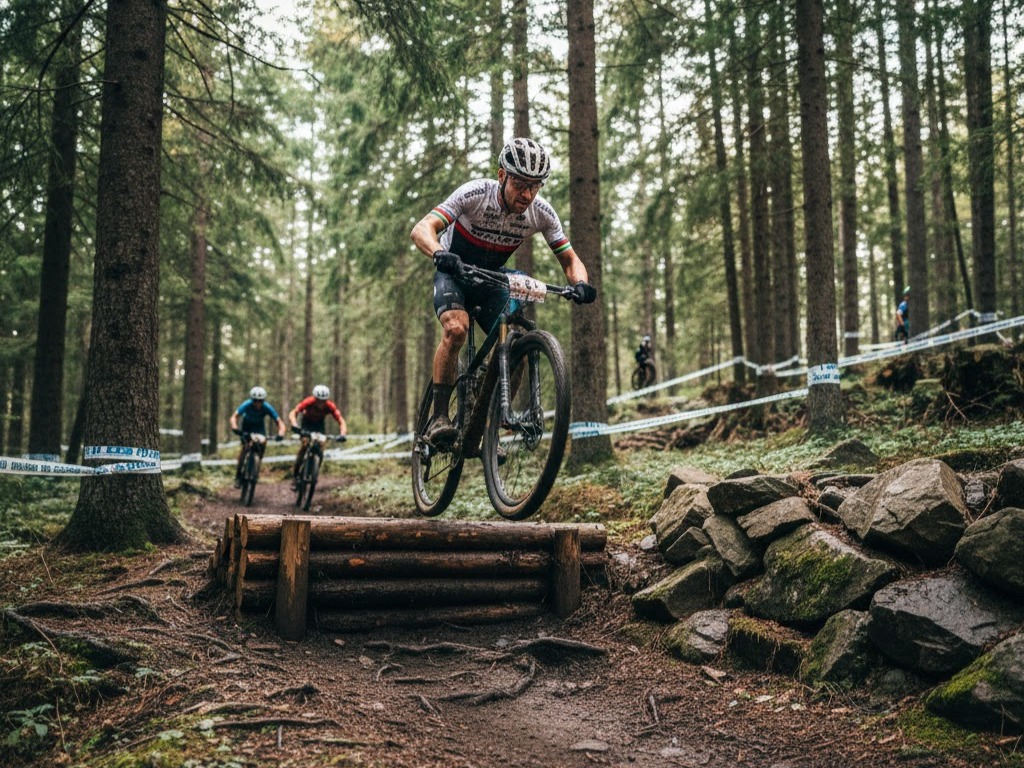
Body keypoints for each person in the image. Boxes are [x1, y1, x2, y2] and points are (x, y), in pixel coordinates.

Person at [410, 137, 598, 446]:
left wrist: (580, 283)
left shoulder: (542, 213)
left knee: (516, 348)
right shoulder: (475, 194)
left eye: (535, 186)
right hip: (454, 271)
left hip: (491, 278)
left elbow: (569, 258)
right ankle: (439, 417)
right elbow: (422, 228)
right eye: (521, 184)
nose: (527, 194)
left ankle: (487, 420)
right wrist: (437, 253)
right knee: (456, 330)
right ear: (502, 176)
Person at [288, 384, 347, 486]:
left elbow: (341, 420)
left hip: (319, 426)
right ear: (315, 398)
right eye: (319, 400)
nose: (321, 403)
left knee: (320, 448)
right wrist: (294, 424)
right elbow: (294, 412)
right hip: (306, 424)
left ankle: (315, 471)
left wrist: (342, 434)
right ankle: (296, 475)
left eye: (323, 401)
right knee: (305, 445)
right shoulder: (308, 402)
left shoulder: (330, 406)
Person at [229, 386, 286, 487]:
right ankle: (238, 476)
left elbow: (279, 422)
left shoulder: (267, 407)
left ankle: (256, 466)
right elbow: (234, 416)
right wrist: (235, 427)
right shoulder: (246, 404)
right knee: (245, 448)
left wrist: (281, 433)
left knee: (262, 444)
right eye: (255, 401)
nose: (258, 403)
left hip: (259, 428)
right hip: (247, 426)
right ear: (252, 400)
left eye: (260, 401)